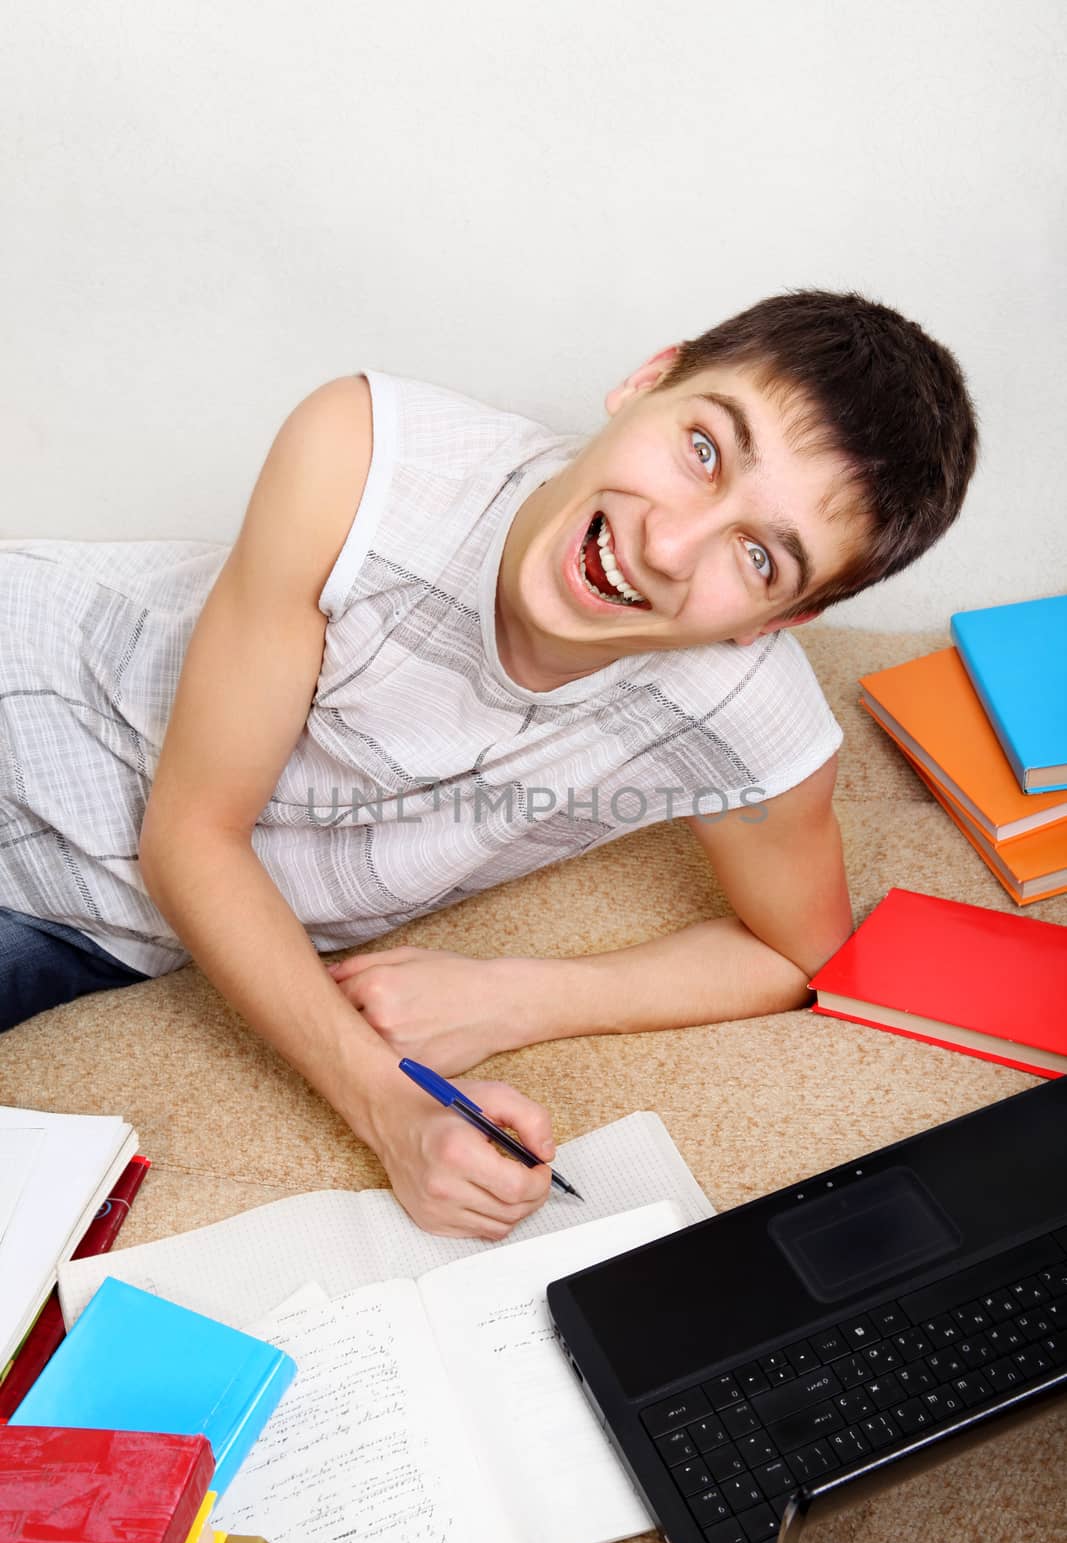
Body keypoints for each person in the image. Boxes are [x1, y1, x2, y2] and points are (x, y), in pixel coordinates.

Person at [0, 289, 978, 1238]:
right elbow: (193, 837)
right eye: (701, 449)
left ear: (781, 621)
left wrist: (505, 994)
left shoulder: (744, 719)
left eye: (760, 559)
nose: (669, 544)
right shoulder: (363, 455)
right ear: (649, 379)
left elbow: (794, 956)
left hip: (74, 921)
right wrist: (387, 1108)